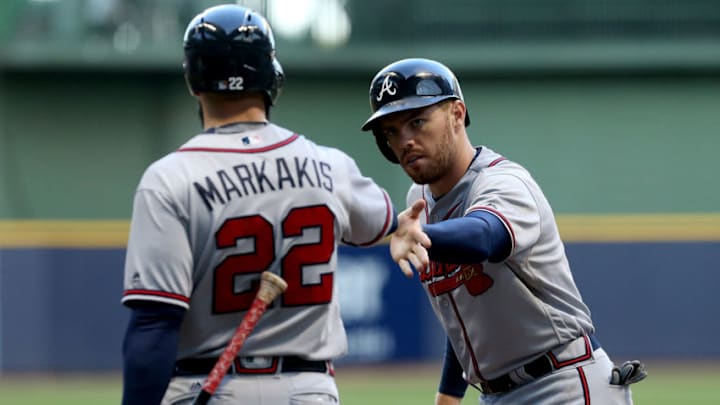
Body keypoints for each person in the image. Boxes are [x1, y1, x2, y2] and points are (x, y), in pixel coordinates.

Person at [120, 5, 396, 405]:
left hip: (208, 387)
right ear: (270, 76)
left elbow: (154, 325)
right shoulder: (330, 165)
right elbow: (383, 222)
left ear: (193, 80)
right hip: (309, 390)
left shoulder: (169, 179)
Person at [361, 58, 647, 405]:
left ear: (456, 114)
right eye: (391, 131)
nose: (404, 140)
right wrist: (449, 394)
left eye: (417, 121)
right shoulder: (419, 200)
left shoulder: (502, 182)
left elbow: (485, 236)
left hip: (562, 383)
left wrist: (423, 236)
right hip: (497, 395)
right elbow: (464, 308)